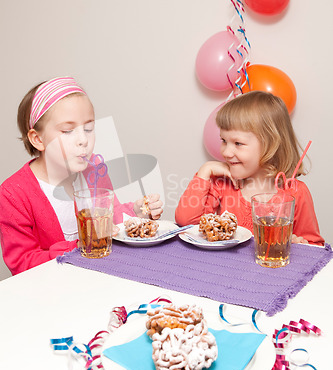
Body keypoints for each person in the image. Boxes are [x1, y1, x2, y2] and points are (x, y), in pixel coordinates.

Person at [0, 77, 163, 275]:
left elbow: (109, 218)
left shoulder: (94, 169)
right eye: (68, 131)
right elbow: (22, 264)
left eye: (88, 129)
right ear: (38, 139)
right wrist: (80, 246)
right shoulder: (13, 194)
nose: (83, 140)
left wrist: (136, 213)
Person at [175, 91, 324, 245]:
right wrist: (205, 170)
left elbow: (315, 246)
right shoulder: (221, 184)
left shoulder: (296, 192)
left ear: (271, 145)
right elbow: (186, 222)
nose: (226, 152)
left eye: (238, 143)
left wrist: (301, 245)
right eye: (224, 141)